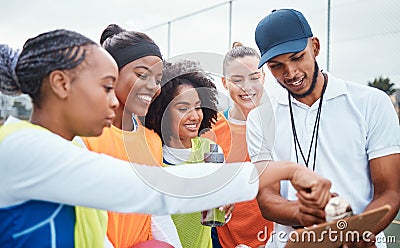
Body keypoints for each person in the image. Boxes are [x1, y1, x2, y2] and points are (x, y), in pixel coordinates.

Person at [0, 29, 331, 247]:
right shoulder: (24, 149)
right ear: (61, 84)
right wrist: (285, 171)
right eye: (105, 87)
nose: (115, 101)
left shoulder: (42, 148)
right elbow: (155, 188)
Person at [247, 9, 400, 248]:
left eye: (297, 57)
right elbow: (267, 199)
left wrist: (357, 233)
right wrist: (302, 213)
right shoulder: (259, 118)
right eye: (277, 66)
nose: (291, 73)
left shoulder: (371, 102)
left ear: (315, 47)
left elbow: (389, 192)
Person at [80, 24, 181, 248]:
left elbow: (156, 212)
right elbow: (83, 216)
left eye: (157, 79)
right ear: (111, 73)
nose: (153, 86)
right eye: (141, 74)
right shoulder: (84, 137)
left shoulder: (152, 142)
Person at [145, 60, 226, 248]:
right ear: (163, 111)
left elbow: (221, 210)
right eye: (183, 109)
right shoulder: (154, 156)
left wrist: (227, 201)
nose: (194, 116)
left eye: (198, 107)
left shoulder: (211, 151)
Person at [203, 42, 274, 248]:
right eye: (237, 80)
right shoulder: (211, 128)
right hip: (226, 241)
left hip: (273, 240)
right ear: (225, 83)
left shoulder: (280, 123)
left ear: (264, 77)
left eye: (254, 77)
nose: (247, 87)